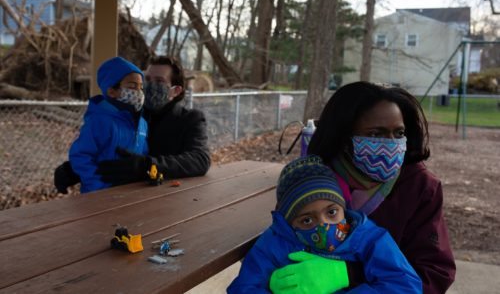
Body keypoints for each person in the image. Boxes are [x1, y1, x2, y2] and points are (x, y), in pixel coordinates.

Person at [270, 81, 455, 294]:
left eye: (398, 133)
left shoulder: (419, 187)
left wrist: (349, 275)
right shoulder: (310, 179)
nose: (391, 144)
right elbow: (280, 242)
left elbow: (433, 273)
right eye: (376, 134)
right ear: (344, 136)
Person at [227, 155, 422, 293]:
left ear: (343, 208)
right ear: (289, 222)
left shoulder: (370, 238)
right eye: (307, 220)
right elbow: (244, 287)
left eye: (331, 212)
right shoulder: (275, 243)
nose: (324, 225)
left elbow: (405, 285)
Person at [55, 56, 211, 193]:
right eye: (147, 79)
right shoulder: (129, 114)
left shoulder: (190, 119)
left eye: (159, 81)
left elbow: (200, 159)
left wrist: (146, 166)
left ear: (175, 91)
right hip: (121, 196)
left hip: (168, 199)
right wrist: (73, 170)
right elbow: (104, 146)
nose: (148, 86)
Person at [68, 56, 148, 193]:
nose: (139, 92)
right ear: (111, 91)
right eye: (132, 86)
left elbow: (143, 154)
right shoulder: (99, 121)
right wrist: (98, 187)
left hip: (130, 194)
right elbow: (80, 155)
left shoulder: (142, 123)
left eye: (141, 87)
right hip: (99, 198)